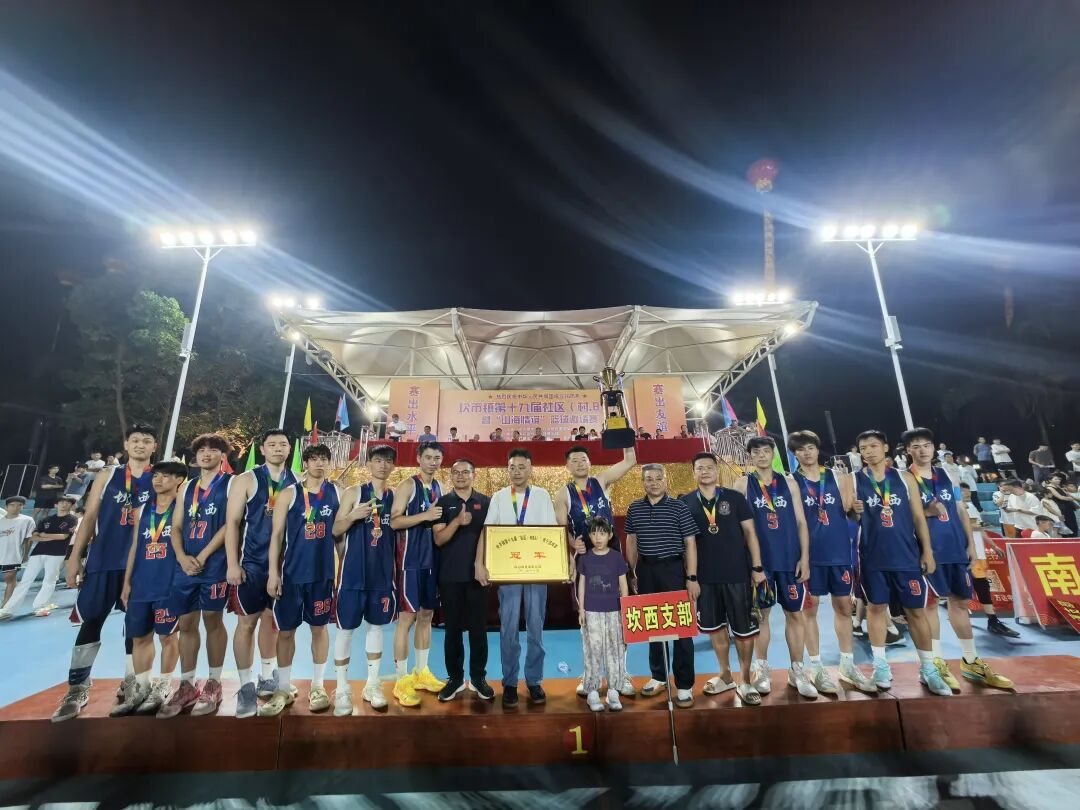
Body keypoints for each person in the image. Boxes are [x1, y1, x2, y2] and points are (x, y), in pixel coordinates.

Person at [52, 425, 157, 722]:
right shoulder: (108, 475)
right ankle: (77, 686)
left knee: (136, 624)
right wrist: (75, 557)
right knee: (92, 620)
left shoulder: (159, 477)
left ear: (154, 446)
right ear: (126, 444)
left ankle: (132, 681)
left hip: (142, 563)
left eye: (146, 441)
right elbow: (89, 517)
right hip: (104, 559)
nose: (140, 445)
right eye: (135, 440)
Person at [902, 428, 1013, 690]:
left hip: (955, 548)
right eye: (916, 446)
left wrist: (971, 544)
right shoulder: (904, 479)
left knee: (961, 602)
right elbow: (900, 515)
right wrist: (926, 514)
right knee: (929, 606)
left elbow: (960, 509)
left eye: (926, 445)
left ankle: (971, 661)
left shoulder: (945, 475)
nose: (922, 450)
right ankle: (935, 664)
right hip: (926, 550)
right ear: (908, 450)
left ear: (933, 448)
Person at [852, 430, 950, 696]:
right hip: (871, 557)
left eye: (874, 446)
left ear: (885, 448)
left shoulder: (905, 478)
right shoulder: (853, 480)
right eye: (864, 448)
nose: (869, 451)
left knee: (916, 611)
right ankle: (880, 666)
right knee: (875, 609)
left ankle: (928, 668)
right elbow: (848, 517)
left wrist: (927, 551)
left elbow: (918, 517)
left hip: (906, 556)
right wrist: (852, 511)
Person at [788, 431, 878, 694]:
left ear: (818, 449)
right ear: (794, 454)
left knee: (843, 607)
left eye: (811, 447)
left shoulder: (840, 478)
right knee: (810, 610)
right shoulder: (791, 481)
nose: (807, 453)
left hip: (838, 553)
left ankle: (847, 665)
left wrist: (857, 510)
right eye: (801, 449)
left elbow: (851, 514)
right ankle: (816, 668)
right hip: (809, 557)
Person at [681, 452, 768, 705]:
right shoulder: (685, 502)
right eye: (700, 468)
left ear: (716, 470)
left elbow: (750, 533)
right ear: (694, 473)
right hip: (705, 578)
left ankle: (745, 680)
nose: (705, 471)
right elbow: (686, 544)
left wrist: (757, 567)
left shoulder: (735, 498)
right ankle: (725, 675)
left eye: (709, 467)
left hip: (737, 574)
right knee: (715, 629)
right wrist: (691, 577)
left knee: (744, 630)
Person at [260, 444, 341, 716]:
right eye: (314, 459)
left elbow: (340, 535)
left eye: (324, 459)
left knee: (320, 629)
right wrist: (273, 573)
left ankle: (318, 686)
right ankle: (283, 688)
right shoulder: (290, 493)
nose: (319, 463)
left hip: (322, 575)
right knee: (286, 632)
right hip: (292, 575)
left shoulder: (336, 493)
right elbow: (276, 536)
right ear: (305, 463)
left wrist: (341, 569)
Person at [734, 437, 817, 699]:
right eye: (756, 452)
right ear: (750, 457)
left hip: (790, 561)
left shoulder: (789, 483)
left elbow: (801, 522)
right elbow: (739, 528)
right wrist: (750, 564)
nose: (761, 455)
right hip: (761, 564)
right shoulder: (742, 484)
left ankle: (797, 670)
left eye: (766, 451)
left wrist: (805, 558)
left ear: (773, 454)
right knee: (762, 617)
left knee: (796, 615)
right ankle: (762, 670)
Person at [224, 429, 297, 718]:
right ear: (263, 449)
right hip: (252, 564)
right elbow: (232, 523)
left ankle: (267, 677)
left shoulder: (297, 481)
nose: (278, 448)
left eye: (283, 444)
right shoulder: (247, 479)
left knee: (271, 622)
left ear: (289, 449)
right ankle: (245, 686)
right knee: (246, 624)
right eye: (272, 444)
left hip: (283, 567)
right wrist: (232, 564)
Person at [555, 443, 637, 697]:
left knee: (618, 621)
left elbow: (630, 461)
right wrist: (573, 544)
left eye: (584, 459)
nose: (580, 464)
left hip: (612, 559)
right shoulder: (563, 493)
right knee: (589, 621)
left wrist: (625, 434)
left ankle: (620, 675)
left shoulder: (601, 481)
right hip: (586, 562)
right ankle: (590, 677)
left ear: (590, 463)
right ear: (567, 466)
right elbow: (561, 530)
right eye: (575, 460)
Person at [478, 447, 558, 707]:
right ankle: (510, 682)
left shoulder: (542, 495)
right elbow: (488, 530)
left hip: (537, 570)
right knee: (508, 629)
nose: (516, 471)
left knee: (536, 627)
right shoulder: (500, 496)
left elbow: (551, 533)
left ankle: (534, 680)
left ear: (531, 468)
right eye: (512, 467)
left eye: (522, 467)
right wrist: (483, 563)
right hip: (509, 571)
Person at [160, 433, 233, 718]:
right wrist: (181, 556)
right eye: (202, 449)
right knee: (186, 623)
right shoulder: (187, 487)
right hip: (185, 565)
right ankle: (187, 684)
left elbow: (231, 524)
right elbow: (176, 526)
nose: (206, 454)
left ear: (222, 456)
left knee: (213, 620)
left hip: (214, 564)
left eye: (213, 450)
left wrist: (203, 556)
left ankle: (214, 682)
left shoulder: (231, 483)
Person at [111, 461, 189, 716]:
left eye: (165, 476)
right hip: (142, 582)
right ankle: (141, 687)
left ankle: (163, 685)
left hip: (169, 582)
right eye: (156, 475)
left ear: (179, 480)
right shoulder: (143, 509)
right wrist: (127, 581)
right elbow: (135, 545)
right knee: (139, 637)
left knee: (168, 637)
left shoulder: (184, 508)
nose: (158, 480)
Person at [331, 444, 399, 714]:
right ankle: (342, 687)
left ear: (393, 466)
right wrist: (352, 516)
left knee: (377, 628)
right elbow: (335, 529)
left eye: (388, 461)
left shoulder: (395, 497)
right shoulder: (354, 492)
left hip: (382, 573)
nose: (383, 465)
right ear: (368, 464)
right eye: (378, 460)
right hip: (352, 574)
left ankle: (372, 684)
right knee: (345, 630)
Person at [624, 464, 698, 708]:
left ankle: (684, 684)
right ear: (643, 482)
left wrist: (692, 577)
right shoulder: (635, 508)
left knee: (681, 627)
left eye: (658, 478)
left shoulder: (679, 507)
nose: (654, 483)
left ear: (666, 481)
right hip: (646, 570)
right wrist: (632, 572)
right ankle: (659, 676)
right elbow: (631, 540)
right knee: (653, 625)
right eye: (649, 479)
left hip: (673, 569)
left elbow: (690, 543)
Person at [388, 441, 447, 706]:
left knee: (426, 616)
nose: (433, 462)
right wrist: (425, 516)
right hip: (410, 562)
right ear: (419, 459)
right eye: (429, 457)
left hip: (431, 561)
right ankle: (401, 679)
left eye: (437, 458)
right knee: (407, 618)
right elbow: (394, 521)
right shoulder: (408, 485)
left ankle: (421, 672)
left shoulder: (439, 487)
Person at [432, 458, 494, 702]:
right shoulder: (442, 503)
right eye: (456, 472)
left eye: (465, 472)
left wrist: (483, 565)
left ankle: (478, 678)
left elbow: (492, 536)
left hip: (478, 577)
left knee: (479, 630)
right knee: (452, 631)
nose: (460, 476)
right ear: (451, 476)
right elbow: (438, 539)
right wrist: (457, 522)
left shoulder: (486, 503)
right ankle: (455, 679)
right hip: (449, 576)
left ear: (473, 475)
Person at [577, 516, 629, 712]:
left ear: (610, 535)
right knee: (592, 650)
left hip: (614, 611)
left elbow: (623, 584)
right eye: (593, 533)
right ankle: (592, 691)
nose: (597, 538)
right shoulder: (585, 558)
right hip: (591, 612)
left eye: (602, 533)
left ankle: (613, 691)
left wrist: (625, 610)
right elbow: (581, 585)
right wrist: (581, 609)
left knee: (615, 650)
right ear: (589, 536)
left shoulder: (616, 557)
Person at [0, 495, 78, 619]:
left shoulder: (72, 519)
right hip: (38, 552)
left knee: (49, 580)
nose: (64, 504)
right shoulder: (47, 519)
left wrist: (44, 535)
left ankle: (40, 606)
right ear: (56, 505)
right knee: (25, 580)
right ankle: (8, 609)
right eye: (61, 502)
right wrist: (48, 536)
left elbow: (63, 536)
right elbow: (33, 537)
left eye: (67, 503)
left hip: (57, 553)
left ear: (71, 505)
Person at [960, 484, 1020, 638]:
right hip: (965, 552)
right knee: (969, 586)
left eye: (968, 492)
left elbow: (980, 529)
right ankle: (977, 618)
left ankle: (992, 620)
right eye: (963, 492)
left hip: (978, 553)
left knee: (982, 585)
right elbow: (967, 527)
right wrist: (973, 525)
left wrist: (993, 546)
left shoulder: (971, 507)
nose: (967, 494)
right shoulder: (956, 509)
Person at [0, 496, 37, 608]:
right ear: (6, 507)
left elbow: (29, 539)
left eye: (19, 505)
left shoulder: (27, 520)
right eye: (12, 505)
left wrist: (25, 554)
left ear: (23, 507)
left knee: (9, 578)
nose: (15, 507)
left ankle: (6, 605)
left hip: (13, 555)